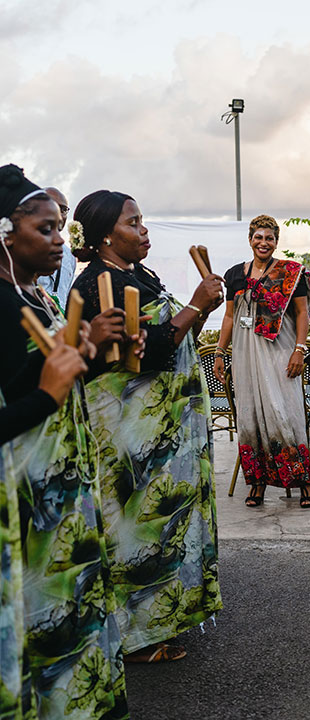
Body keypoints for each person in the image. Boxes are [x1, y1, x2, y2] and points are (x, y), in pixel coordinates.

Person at [71, 189, 224, 664]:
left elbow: (177, 342)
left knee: (167, 523)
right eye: (133, 223)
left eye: (142, 221)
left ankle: (163, 616)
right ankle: (134, 634)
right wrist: (196, 305)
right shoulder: (98, 284)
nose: (144, 230)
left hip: (163, 429)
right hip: (129, 437)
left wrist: (201, 313)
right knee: (136, 527)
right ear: (102, 237)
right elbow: (142, 355)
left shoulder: (137, 275)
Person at [0, 164, 128, 718]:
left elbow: (48, 373)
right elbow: (36, 392)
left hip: (61, 490)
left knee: (69, 618)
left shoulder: (36, 297)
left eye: (60, 228)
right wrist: (47, 398)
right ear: (5, 234)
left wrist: (91, 349)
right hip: (23, 502)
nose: (59, 240)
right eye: (45, 229)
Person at [214, 214, 310, 508]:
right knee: (250, 416)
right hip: (245, 353)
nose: (263, 243)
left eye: (269, 238)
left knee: (287, 413)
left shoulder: (290, 273)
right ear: (249, 240)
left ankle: (304, 482)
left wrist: (299, 349)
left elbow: (302, 313)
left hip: (279, 350)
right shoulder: (235, 274)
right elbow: (230, 316)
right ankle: (257, 483)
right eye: (258, 237)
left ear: (276, 242)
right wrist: (221, 352)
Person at [36, 186, 76, 308]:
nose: (57, 213)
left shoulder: (70, 256)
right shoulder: (24, 249)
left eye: (63, 209)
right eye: (52, 205)